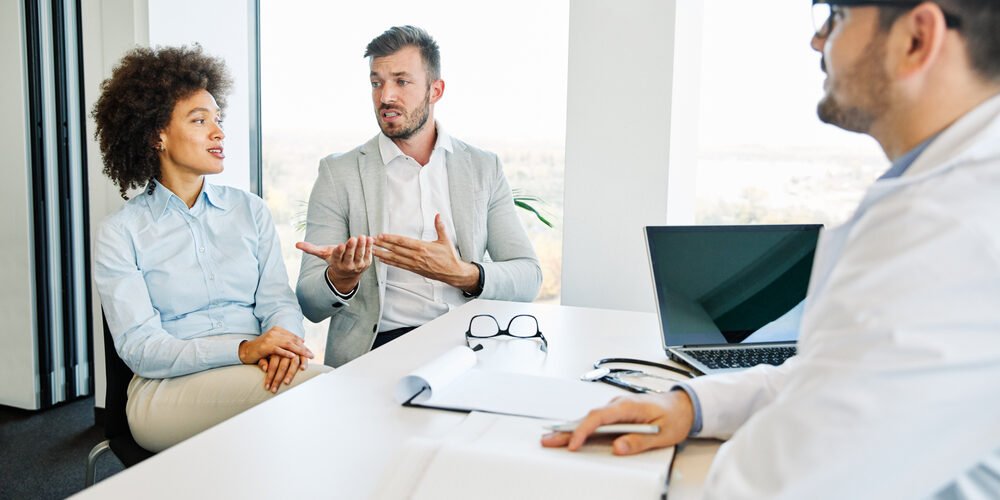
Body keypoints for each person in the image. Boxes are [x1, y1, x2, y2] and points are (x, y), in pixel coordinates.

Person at [543, 0, 1000, 497]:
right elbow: (835, 375)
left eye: (836, 16)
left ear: (916, 38)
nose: (818, 40)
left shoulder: (946, 226)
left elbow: (785, 481)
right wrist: (693, 405)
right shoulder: (954, 192)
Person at [93, 45, 330, 452]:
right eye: (200, 120)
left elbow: (278, 301)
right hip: (166, 394)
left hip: (258, 372)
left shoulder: (249, 210)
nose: (218, 133)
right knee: (324, 392)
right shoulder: (120, 233)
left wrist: (283, 345)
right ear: (157, 135)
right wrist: (242, 350)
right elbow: (141, 348)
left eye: (218, 120)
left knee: (307, 401)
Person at [296, 26, 542, 367]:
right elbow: (309, 301)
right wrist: (341, 277)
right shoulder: (339, 173)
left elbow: (528, 277)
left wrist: (464, 274)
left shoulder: (483, 167)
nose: (385, 97)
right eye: (376, 82)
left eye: (401, 81)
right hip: (378, 349)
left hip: (469, 346)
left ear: (435, 90)